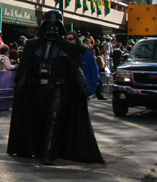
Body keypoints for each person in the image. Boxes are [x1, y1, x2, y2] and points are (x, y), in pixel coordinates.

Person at [7, 10, 104, 165]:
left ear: (60, 26)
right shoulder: (33, 45)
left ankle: (48, 151)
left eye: (55, 25)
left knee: (53, 118)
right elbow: (26, 68)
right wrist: (20, 85)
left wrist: (84, 88)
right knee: (37, 117)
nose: (52, 28)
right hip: (36, 88)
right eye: (49, 25)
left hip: (56, 87)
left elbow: (75, 69)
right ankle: (37, 148)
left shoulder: (67, 47)